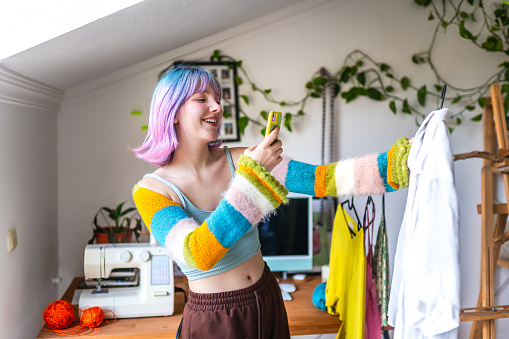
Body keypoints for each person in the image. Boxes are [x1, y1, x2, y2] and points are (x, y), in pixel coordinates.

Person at [131, 63, 411, 339]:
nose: (216, 107)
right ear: (173, 112)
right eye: (202, 99)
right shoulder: (152, 191)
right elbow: (198, 253)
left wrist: (395, 166)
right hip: (215, 319)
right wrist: (251, 180)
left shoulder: (243, 159)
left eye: (217, 99)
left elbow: (321, 179)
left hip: (267, 297)